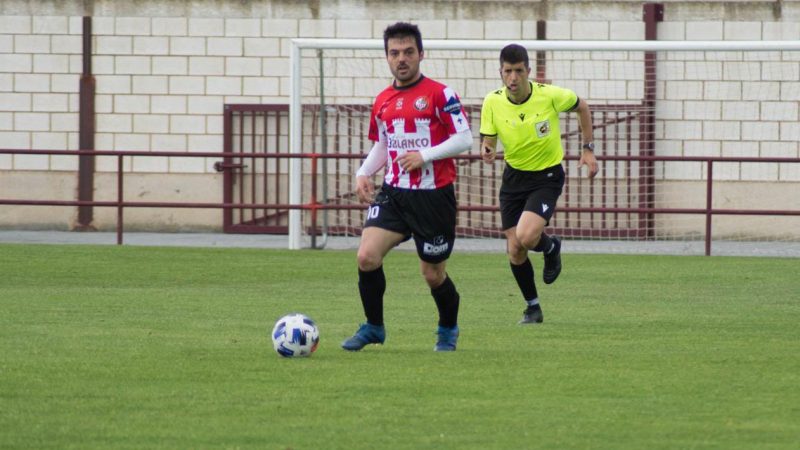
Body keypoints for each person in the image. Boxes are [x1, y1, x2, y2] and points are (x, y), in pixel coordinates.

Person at [341, 22, 473, 352]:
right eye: (395, 53)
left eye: (408, 52)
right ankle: (374, 327)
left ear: (421, 54)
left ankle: (447, 329)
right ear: (387, 57)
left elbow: (464, 138)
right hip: (394, 194)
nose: (402, 58)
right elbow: (384, 145)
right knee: (367, 256)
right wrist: (363, 171)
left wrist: (424, 156)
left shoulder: (441, 94)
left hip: (433, 198)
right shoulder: (383, 100)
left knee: (432, 274)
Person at [480, 43, 599, 325]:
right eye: (507, 71)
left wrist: (588, 148)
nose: (513, 78)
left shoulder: (550, 95)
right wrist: (487, 150)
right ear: (501, 72)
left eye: (518, 71)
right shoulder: (492, 102)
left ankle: (550, 248)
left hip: (546, 177)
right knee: (515, 249)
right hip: (513, 178)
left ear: (528, 72)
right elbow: (488, 141)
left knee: (527, 236)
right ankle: (532, 308)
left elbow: (583, 107)